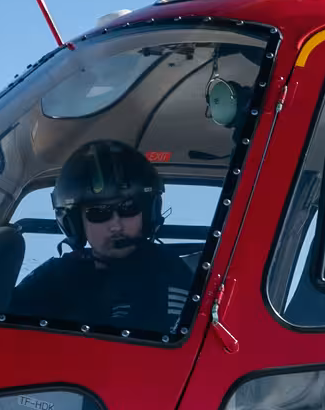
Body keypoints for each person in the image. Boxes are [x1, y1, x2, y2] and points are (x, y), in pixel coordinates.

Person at [12, 140, 195, 334]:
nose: (116, 225)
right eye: (98, 213)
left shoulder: (168, 270)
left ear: (148, 214)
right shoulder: (58, 274)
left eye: (128, 208)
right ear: (75, 223)